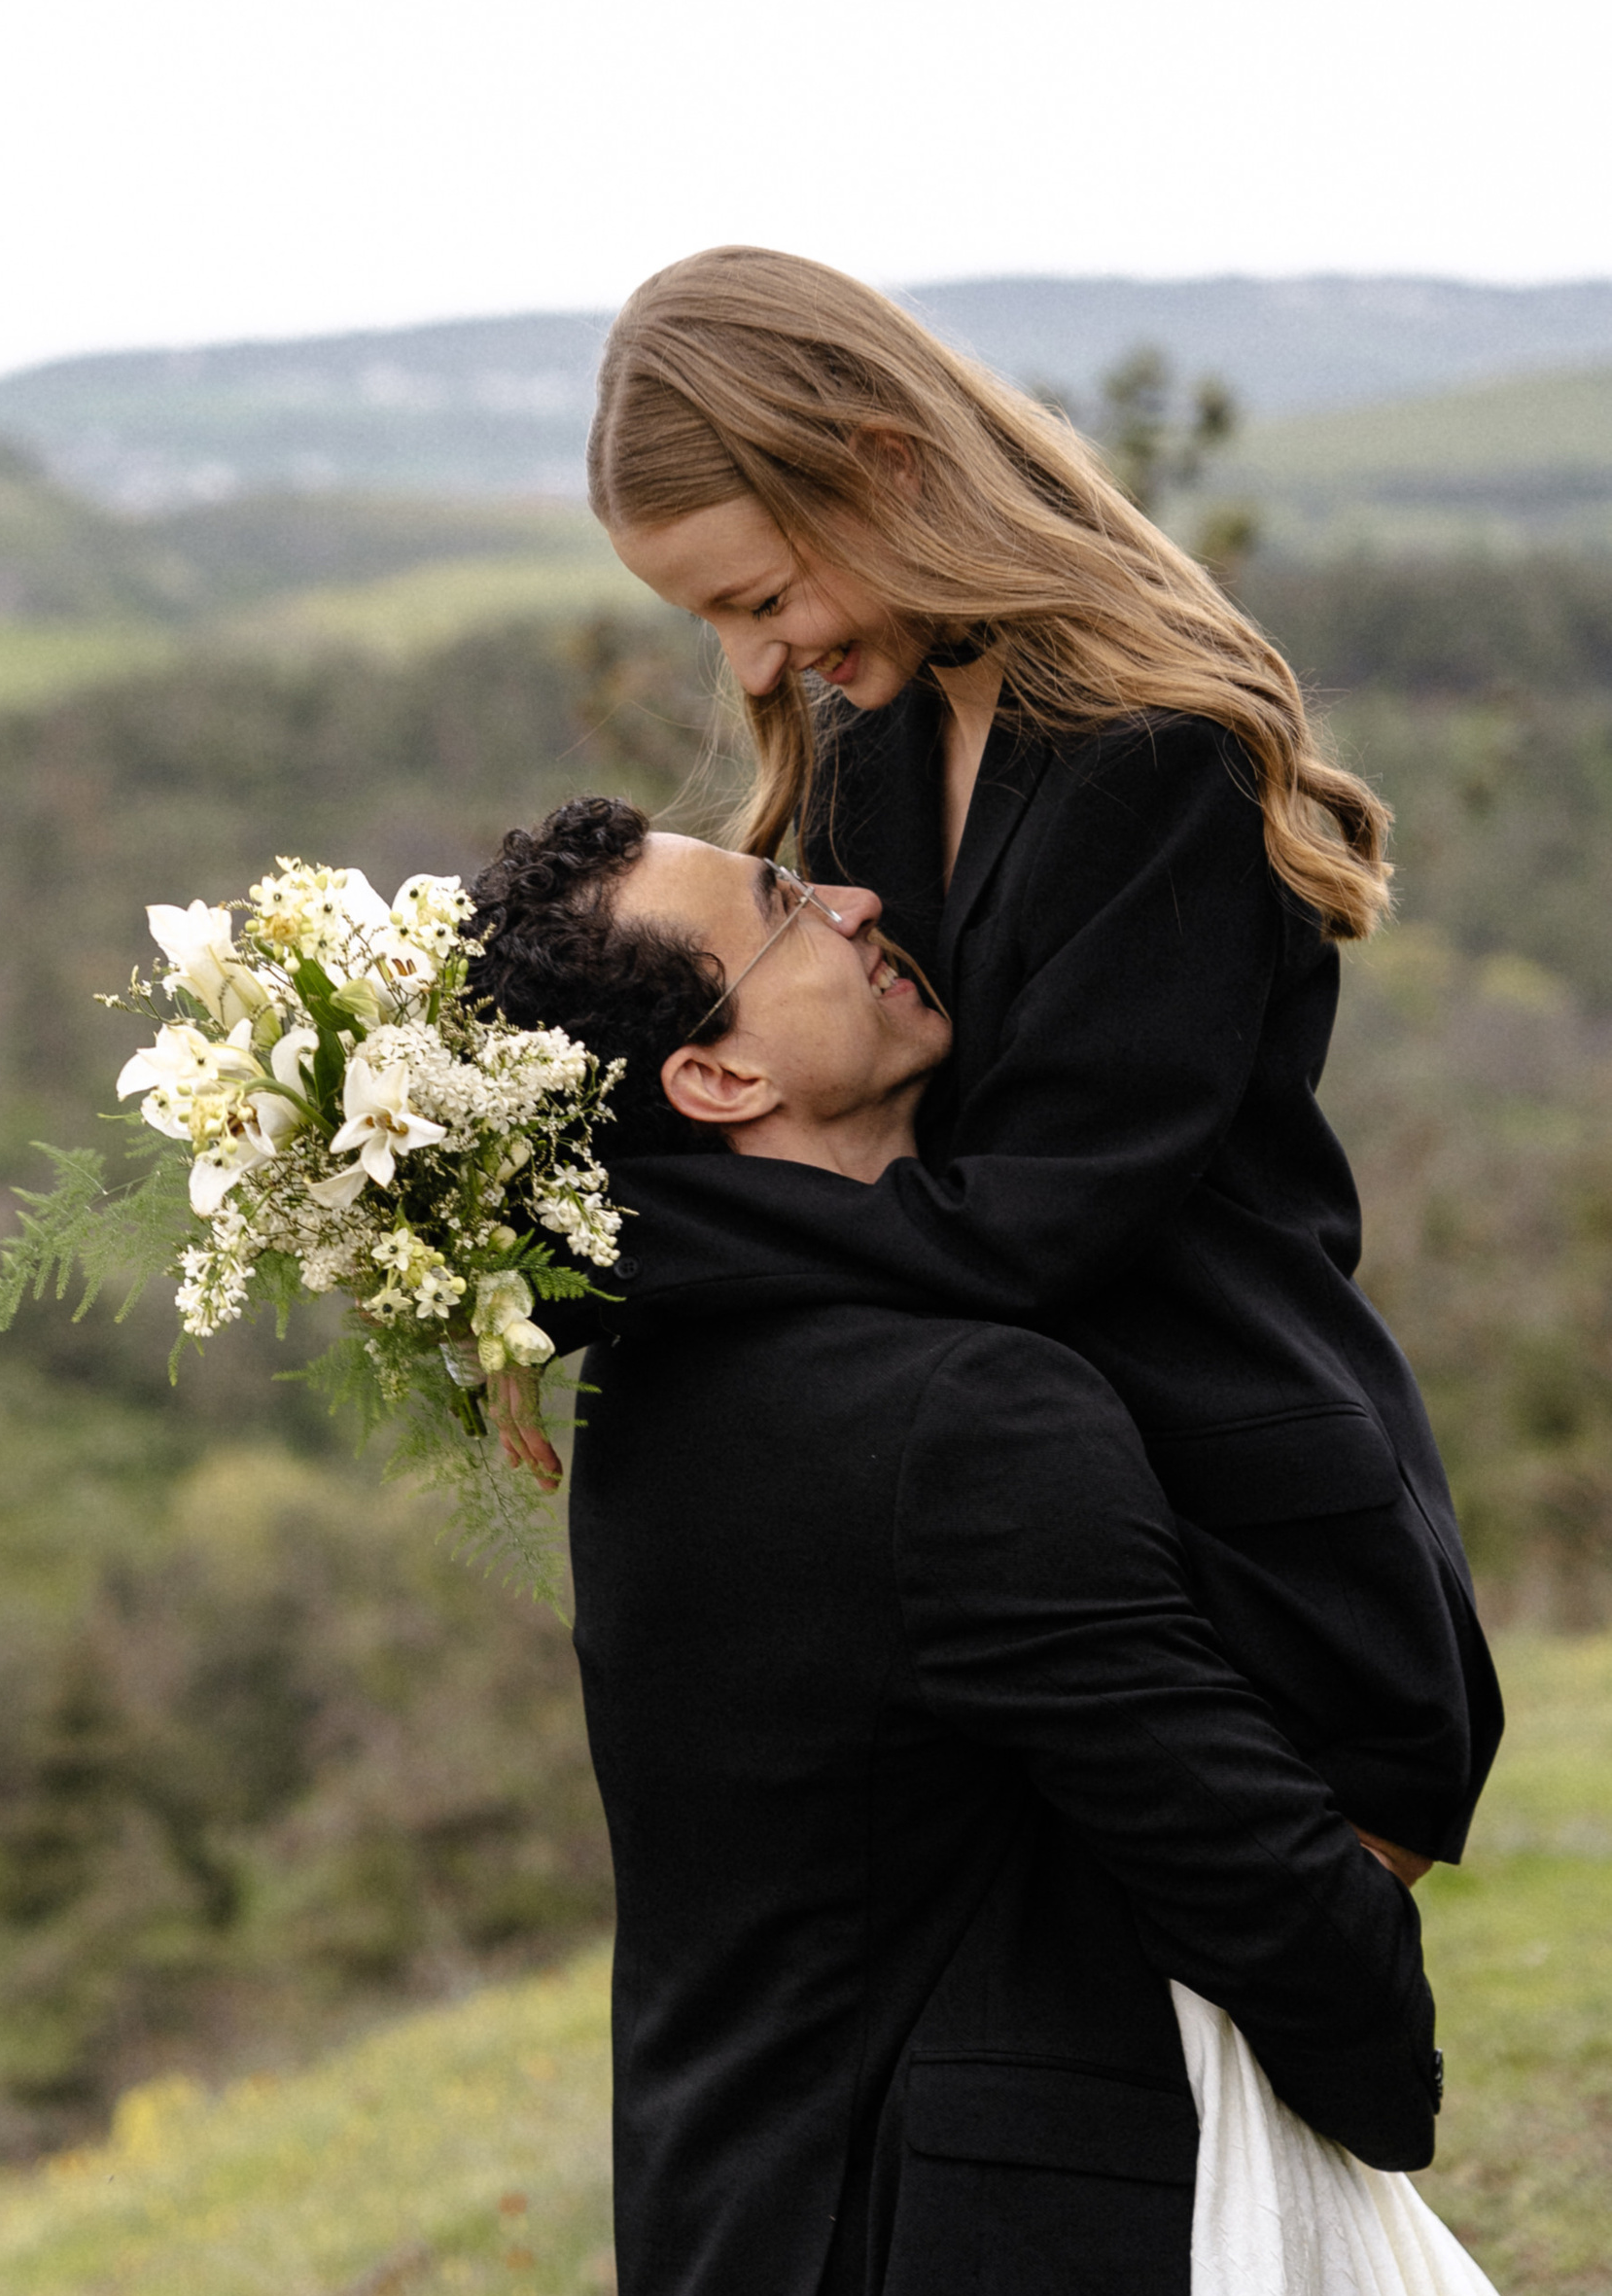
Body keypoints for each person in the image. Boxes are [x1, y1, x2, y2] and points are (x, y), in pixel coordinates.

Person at [467, 799, 1612, 2296]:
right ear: (717, 1084)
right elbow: (1230, 1849)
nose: (852, 899)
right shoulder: (959, 1410)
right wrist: (1374, 2069)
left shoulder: (655, 1394)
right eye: (782, 905)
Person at [527, 242, 1497, 1876]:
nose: (755, 665)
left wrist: (613, 1251)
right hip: (1050, 1544)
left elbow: (1021, 1229)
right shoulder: (878, 733)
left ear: (886, 473)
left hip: (1264, 1556)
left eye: (763, 600)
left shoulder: (1154, 757)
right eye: (714, 622)